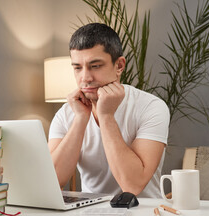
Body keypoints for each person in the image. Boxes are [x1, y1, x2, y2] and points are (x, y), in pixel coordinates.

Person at [48, 23, 170, 198]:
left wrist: (106, 116)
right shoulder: (66, 113)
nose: (85, 78)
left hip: (143, 211)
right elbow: (53, 180)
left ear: (119, 66)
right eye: (77, 68)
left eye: (95, 66)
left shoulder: (151, 107)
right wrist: (81, 119)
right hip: (90, 211)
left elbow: (132, 185)